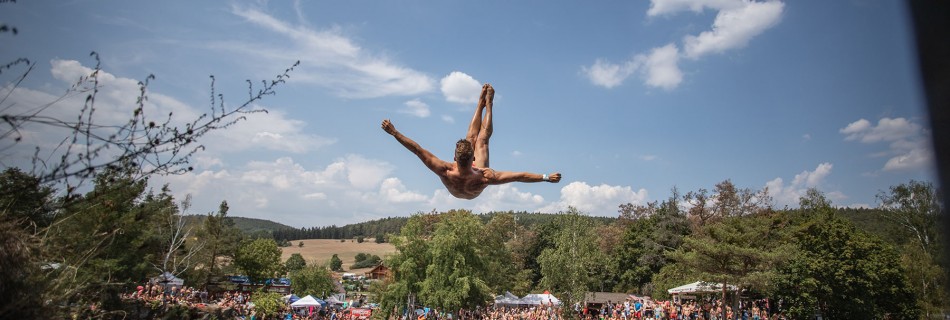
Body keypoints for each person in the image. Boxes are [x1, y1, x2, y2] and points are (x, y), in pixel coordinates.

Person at [381, 83, 561, 199]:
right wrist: (545, 177)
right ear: (472, 159)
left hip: (459, 186)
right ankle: (488, 104)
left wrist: (394, 132)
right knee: (481, 140)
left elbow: (417, 150)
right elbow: (520, 176)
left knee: (473, 138)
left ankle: (481, 103)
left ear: (455, 157)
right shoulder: (484, 176)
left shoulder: (444, 170)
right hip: (473, 184)